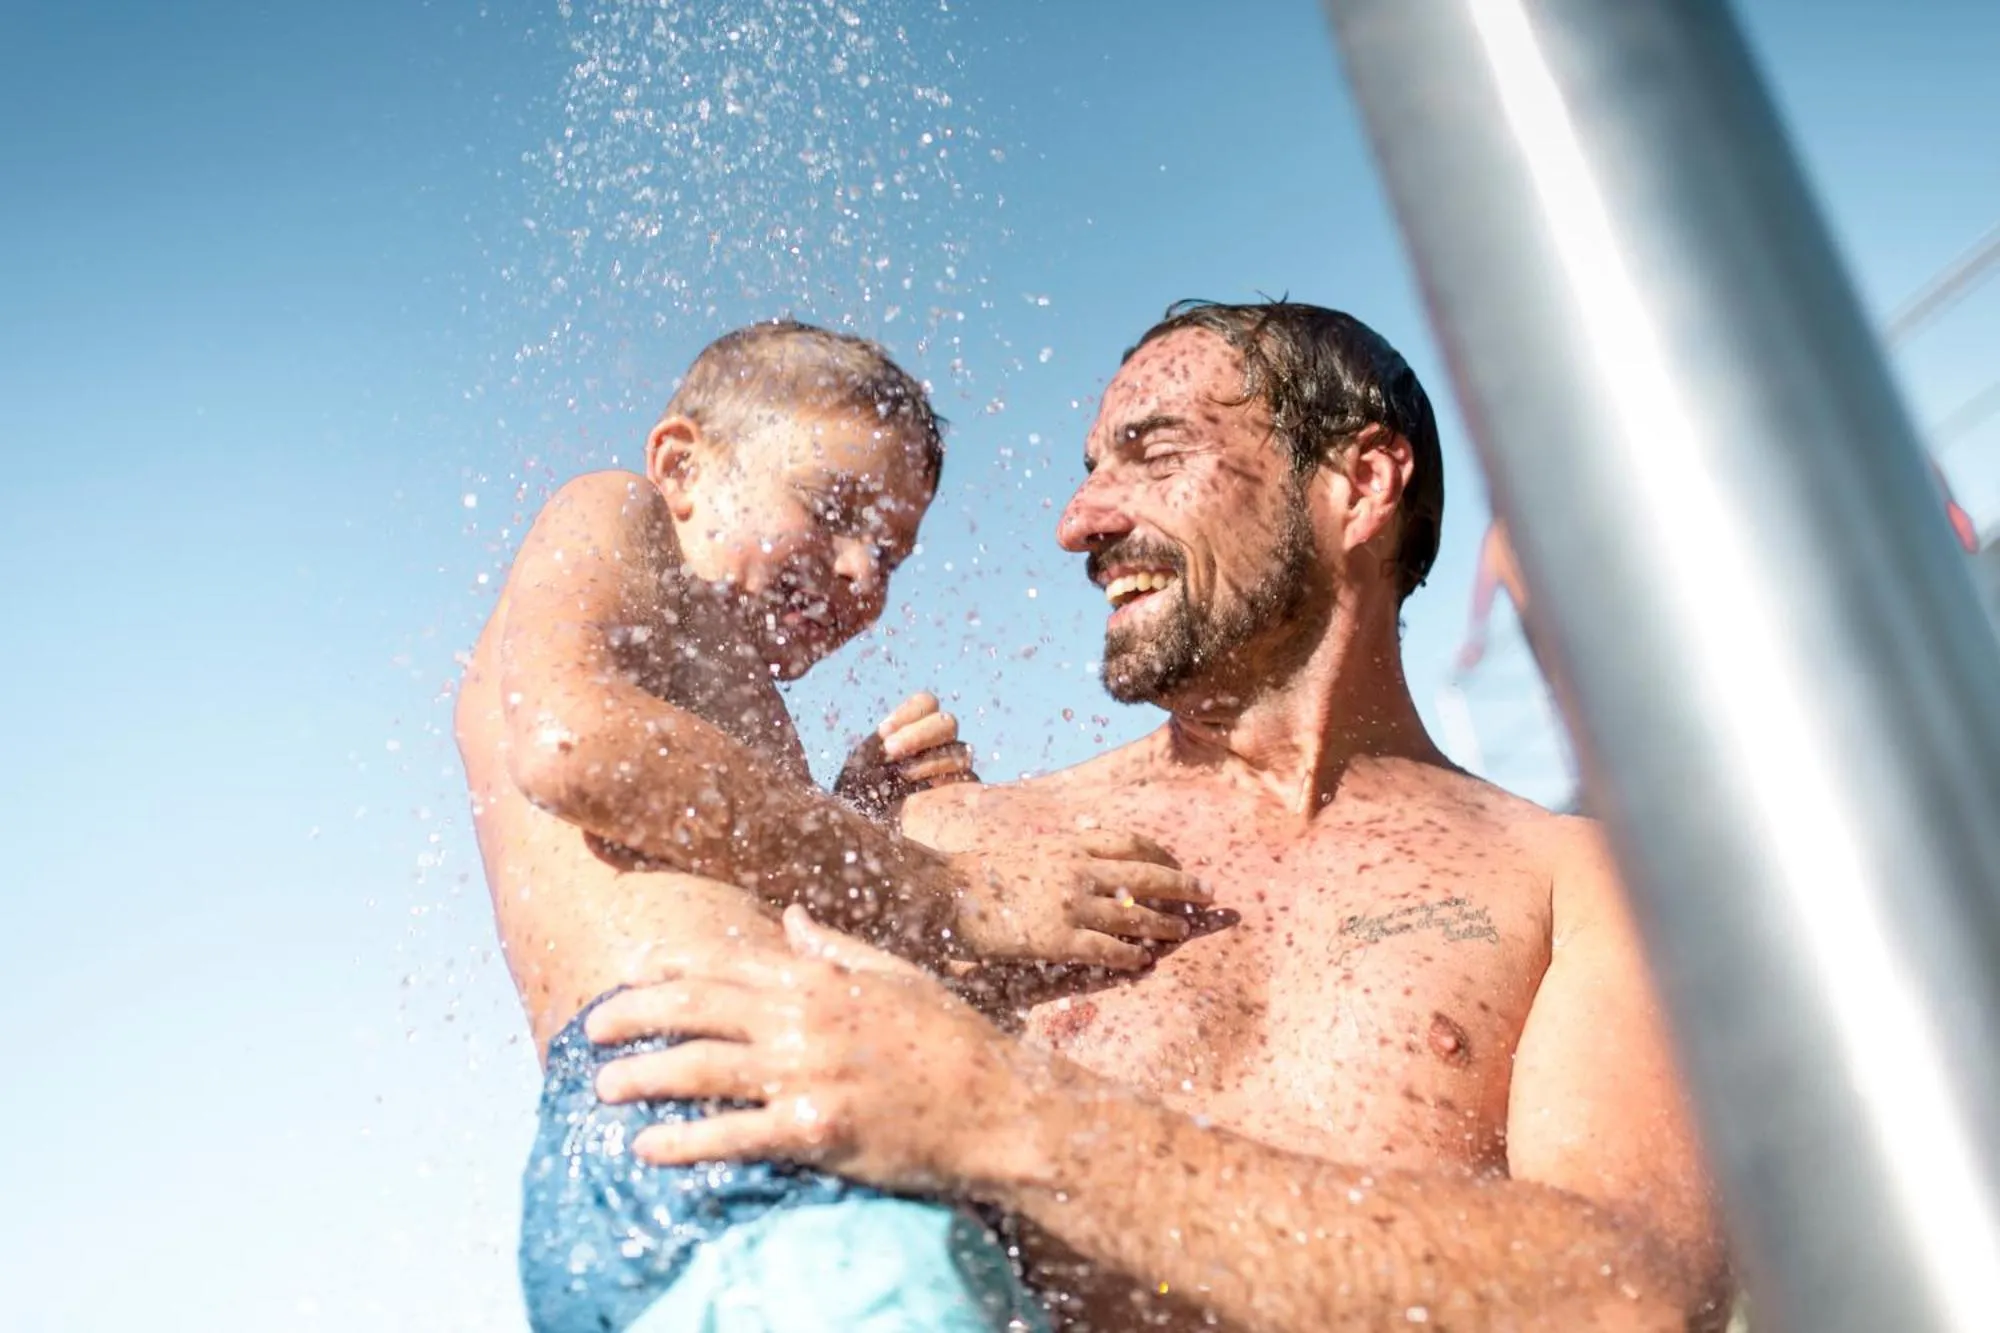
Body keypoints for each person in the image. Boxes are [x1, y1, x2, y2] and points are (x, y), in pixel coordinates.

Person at [584, 301, 1733, 1330]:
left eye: (1153, 452)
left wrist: (1010, 1117)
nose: (1080, 520)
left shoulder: (1573, 883)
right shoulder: (966, 851)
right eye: (1092, 467)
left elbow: (1624, 1290)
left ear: (1359, 486)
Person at [454, 320, 1208, 1332]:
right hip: (708, 1119)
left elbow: (711, 876)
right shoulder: (611, 511)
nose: (862, 572)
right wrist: (957, 893)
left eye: (891, 551)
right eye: (833, 509)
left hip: (692, 1142)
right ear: (682, 467)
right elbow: (574, 745)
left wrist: (848, 812)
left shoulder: (718, 696)